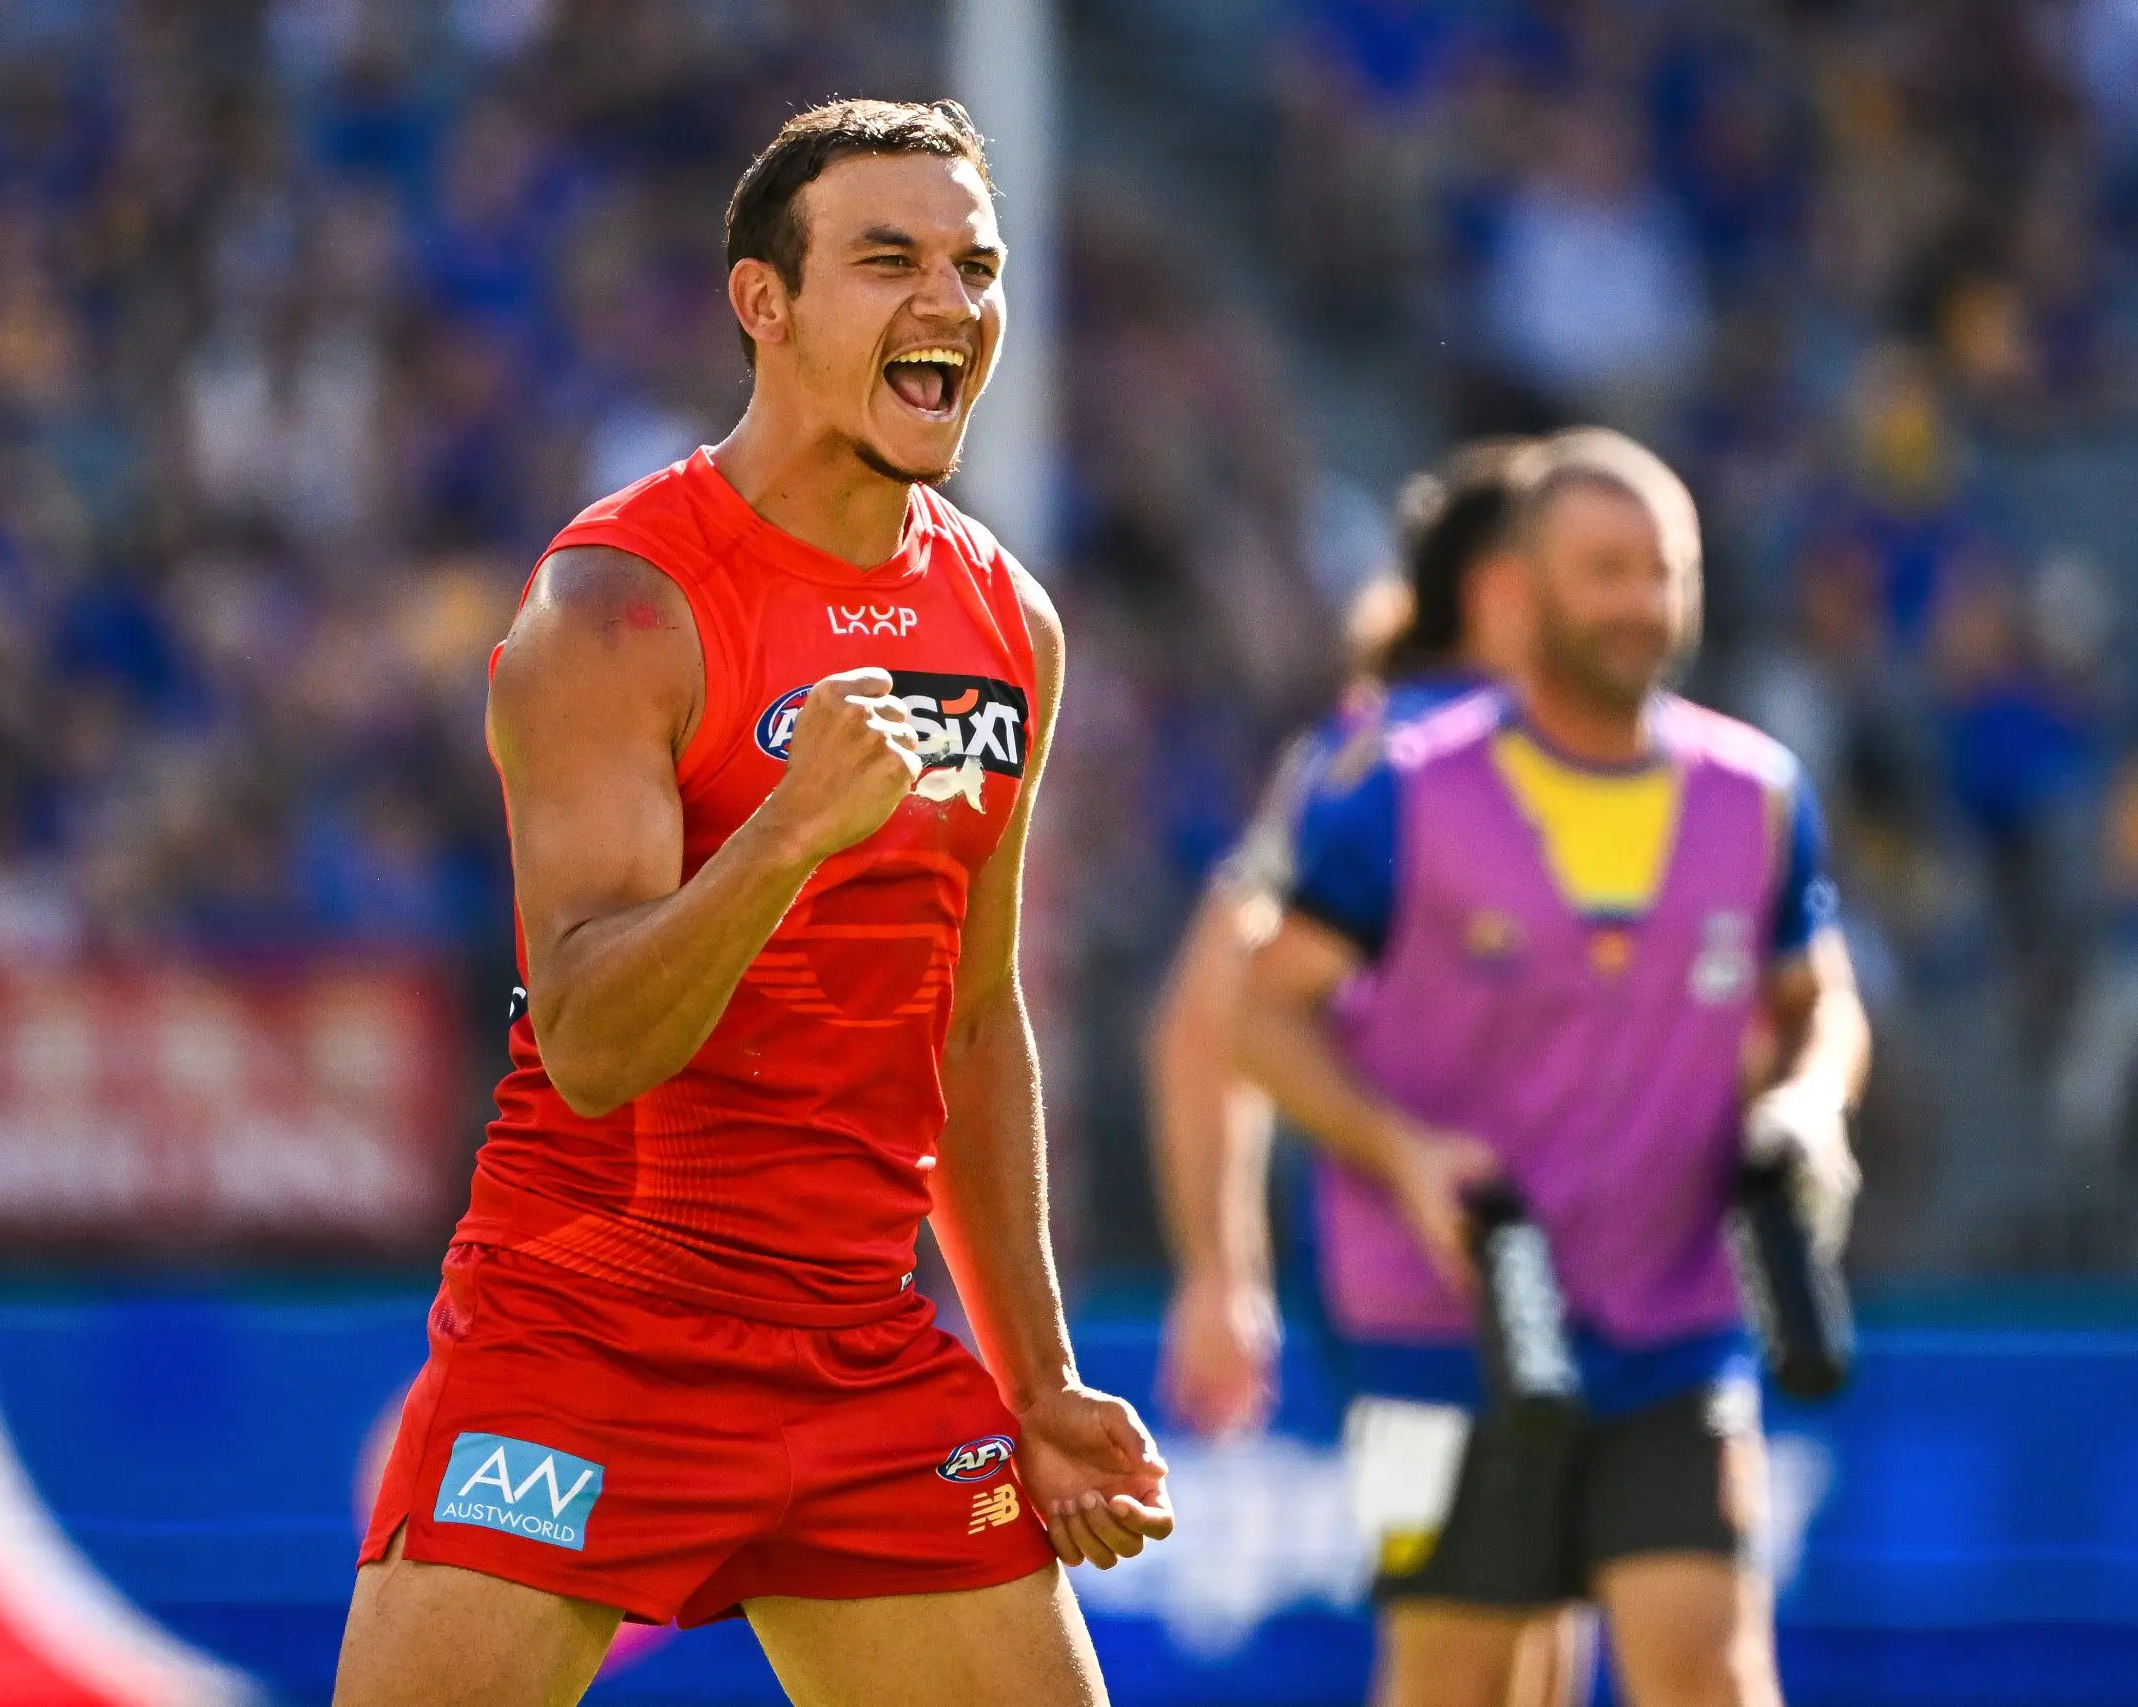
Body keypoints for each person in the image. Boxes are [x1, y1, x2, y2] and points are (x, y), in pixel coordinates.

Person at [334, 99, 1172, 1707]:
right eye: (888, 260)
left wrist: (1041, 1376)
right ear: (763, 304)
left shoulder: (1007, 620)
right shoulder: (615, 606)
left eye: (975, 266)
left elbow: (974, 1015)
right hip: (586, 1338)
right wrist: (785, 837)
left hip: (859, 1352)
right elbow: (586, 1041)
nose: (951, 303)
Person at [1231, 429, 1867, 1707]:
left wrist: (1807, 1105)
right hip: (1432, 1329)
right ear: (1521, 591)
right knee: (1456, 1680)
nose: (1640, 601)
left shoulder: (1757, 794)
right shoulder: (1394, 789)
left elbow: (1819, 1002)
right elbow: (1263, 1017)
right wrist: (1401, 1152)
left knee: (1713, 1670)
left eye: (1662, 570)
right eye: (1605, 570)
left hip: (1674, 1328)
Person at [1151, 439, 1594, 1707]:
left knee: (1537, 1647)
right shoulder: (1378, 758)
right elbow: (1207, 1012)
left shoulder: (1575, 762)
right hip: (1420, 1295)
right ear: (1504, 587)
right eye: (1594, 566)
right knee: (1456, 1653)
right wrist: (1219, 1269)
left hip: (1561, 1280)